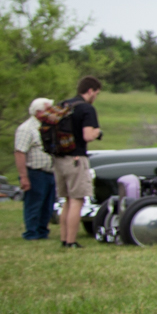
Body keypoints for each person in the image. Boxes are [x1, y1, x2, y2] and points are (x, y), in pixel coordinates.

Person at [55, 76, 103, 248]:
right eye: (96, 93)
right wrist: (98, 132)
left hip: (60, 158)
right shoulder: (86, 109)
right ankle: (71, 241)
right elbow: (88, 135)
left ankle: (63, 238)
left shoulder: (64, 105)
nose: (96, 96)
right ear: (90, 91)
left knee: (66, 200)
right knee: (77, 200)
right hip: (76, 158)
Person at [13, 98, 56, 241]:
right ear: (38, 112)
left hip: (49, 172)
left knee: (47, 205)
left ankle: (42, 230)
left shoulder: (48, 127)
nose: (51, 112)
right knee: (34, 203)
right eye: (48, 110)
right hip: (35, 171)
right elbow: (20, 152)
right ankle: (31, 232)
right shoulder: (27, 129)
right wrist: (23, 176)